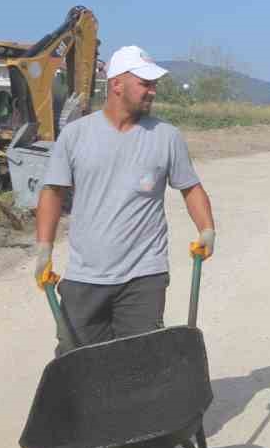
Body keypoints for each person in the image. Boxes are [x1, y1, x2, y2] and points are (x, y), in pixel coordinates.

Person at [34, 45, 216, 350]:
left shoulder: (166, 136)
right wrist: (43, 248)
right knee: (77, 358)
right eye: (145, 84)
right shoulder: (76, 135)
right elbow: (52, 191)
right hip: (85, 274)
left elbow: (190, 188)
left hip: (145, 274)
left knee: (140, 361)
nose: (152, 92)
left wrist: (207, 229)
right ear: (116, 84)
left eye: (154, 84)